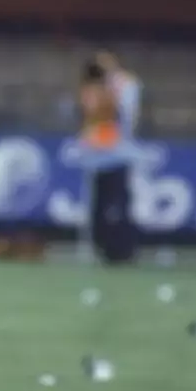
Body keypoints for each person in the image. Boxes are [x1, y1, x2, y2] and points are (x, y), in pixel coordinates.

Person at [77, 58, 136, 264]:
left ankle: (118, 248)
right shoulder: (98, 93)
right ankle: (108, 248)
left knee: (116, 205)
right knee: (106, 207)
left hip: (114, 156)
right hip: (102, 157)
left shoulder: (115, 90)